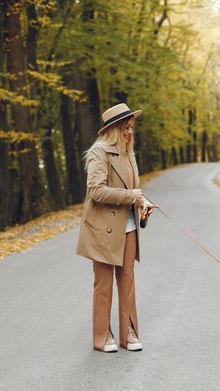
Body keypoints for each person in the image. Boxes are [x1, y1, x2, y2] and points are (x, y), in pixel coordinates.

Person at [76, 103, 156, 353]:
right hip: (102, 229)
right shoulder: (99, 153)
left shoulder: (129, 153)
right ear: (113, 129)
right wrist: (131, 196)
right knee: (104, 284)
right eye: (126, 128)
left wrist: (143, 201)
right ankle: (102, 335)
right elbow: (96, 191)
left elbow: (134, 189)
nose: (130, 132)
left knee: (128, 281)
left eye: (131, 128)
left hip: (129, 228)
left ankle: (128, 331)